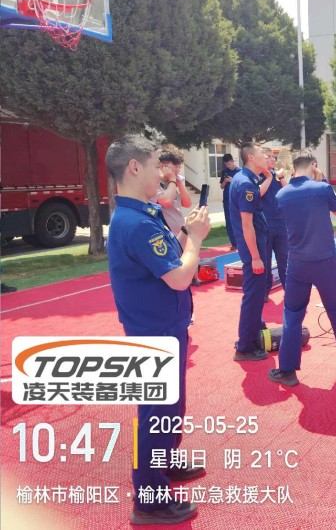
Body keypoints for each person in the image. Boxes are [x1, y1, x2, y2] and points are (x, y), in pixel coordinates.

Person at [105, 135, 210, 525]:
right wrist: (196, 239)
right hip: (154, 331)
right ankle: (149, 499)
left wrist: (186, 234)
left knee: (170, 406)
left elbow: (168, 256)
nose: (161, 174)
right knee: (156, 412)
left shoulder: (142, 215)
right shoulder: (135, 223)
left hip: (163, 325)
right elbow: (180, 277)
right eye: (154, 167)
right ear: (134, 167)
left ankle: (163, 462)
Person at [268, 153, 336, 387]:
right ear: (313, 165)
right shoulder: (322, 188)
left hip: (297, 262)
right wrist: (322, 180)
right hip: (324, 261)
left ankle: (287, 370)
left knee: (292, 314)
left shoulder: (282, 194)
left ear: (294, 167)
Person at [229, 143, 272, 361]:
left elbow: (257, 197)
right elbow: (247, 224)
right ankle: (245, 347)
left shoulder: (247, 179)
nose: (267, 156)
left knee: (255, 293)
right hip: (252, 248)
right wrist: (255, 257)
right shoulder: (245, 183)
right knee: (254, 295)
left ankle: (253, 333)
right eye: (263, 153)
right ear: (251, 158)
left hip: (256, 244)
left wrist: (268, 176)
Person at [260, 150, 288, 298]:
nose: (272, 159)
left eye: (273, 157)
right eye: (268, 157)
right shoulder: (258, 176)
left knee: (284, 259)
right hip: (264, 225)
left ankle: (289, 290)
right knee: (265, 260)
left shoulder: (277, 176)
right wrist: (269, 177)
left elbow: (288, 193)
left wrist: (281, 177)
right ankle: (264, 291)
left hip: (281, 224)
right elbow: (258, 193)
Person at [153, 145, 192, 235]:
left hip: (179, 233)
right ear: (163, 165)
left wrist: (179, 183)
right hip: (165, 234)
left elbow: (187, 203)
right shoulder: (154, 182)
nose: (178, 170)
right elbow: (166, 202)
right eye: (175, 166)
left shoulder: (174, 181)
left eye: (179, 167)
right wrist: (173, 180)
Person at [220, 154, 240, 250]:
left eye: (229, 163)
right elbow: (221, 186)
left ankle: (241, 242)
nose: (228, 166)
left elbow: (241, 185)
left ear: (232, 161)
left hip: (237, 200)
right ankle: (234, 243)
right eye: (226, 164)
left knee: (238, 221)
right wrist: (225, 181)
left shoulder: (240, 172)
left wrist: (232, 180)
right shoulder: (224, 172)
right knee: (229, 222)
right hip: (227, 200)